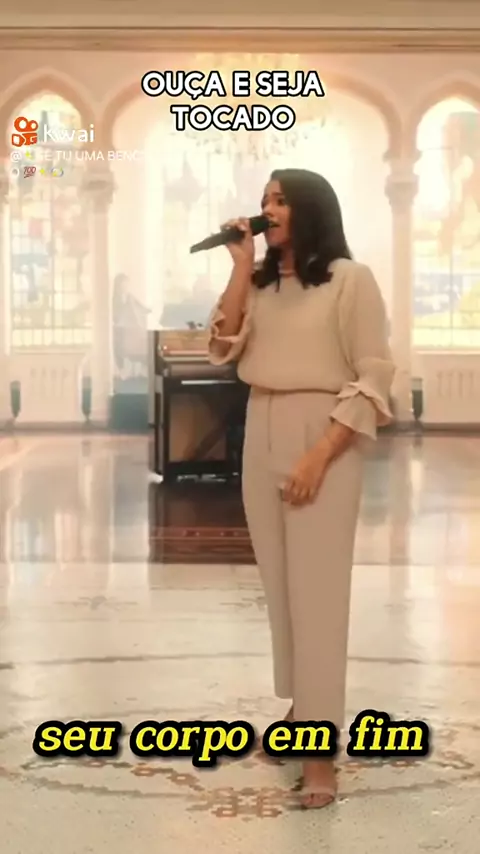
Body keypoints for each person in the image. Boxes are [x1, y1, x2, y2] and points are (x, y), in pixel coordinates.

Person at [206, 168, 395, 809]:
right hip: (261, 421)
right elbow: (223, 346)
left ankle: (320, 757)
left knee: (317, 597)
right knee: (283, 591)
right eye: (265, 199)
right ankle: (298, 715)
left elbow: (374, 375)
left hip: (325, 431)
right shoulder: (262, 284)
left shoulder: (350, 280)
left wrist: (320, 454)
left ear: (310, 209)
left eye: (281, 199)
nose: (268, 208)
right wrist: (241, 266)